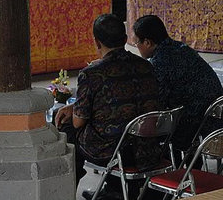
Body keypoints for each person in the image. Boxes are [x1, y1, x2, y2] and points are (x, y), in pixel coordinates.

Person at [55, 13, 159, 183]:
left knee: (66, 127)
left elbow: (78, 122)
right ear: (125, 39)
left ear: (96, 42)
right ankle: (114, 188)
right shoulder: (146, 66)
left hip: (111, 150)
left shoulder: (92, 73)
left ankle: (69, 184)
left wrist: (76, 109)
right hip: (146, 148)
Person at [133, 15, 223, 152]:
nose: (137, 46)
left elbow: (159, 103)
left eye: (136, 43)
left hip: (196, 124)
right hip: (218, 114)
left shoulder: (160, 62)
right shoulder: (182, 48)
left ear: (147, 43)